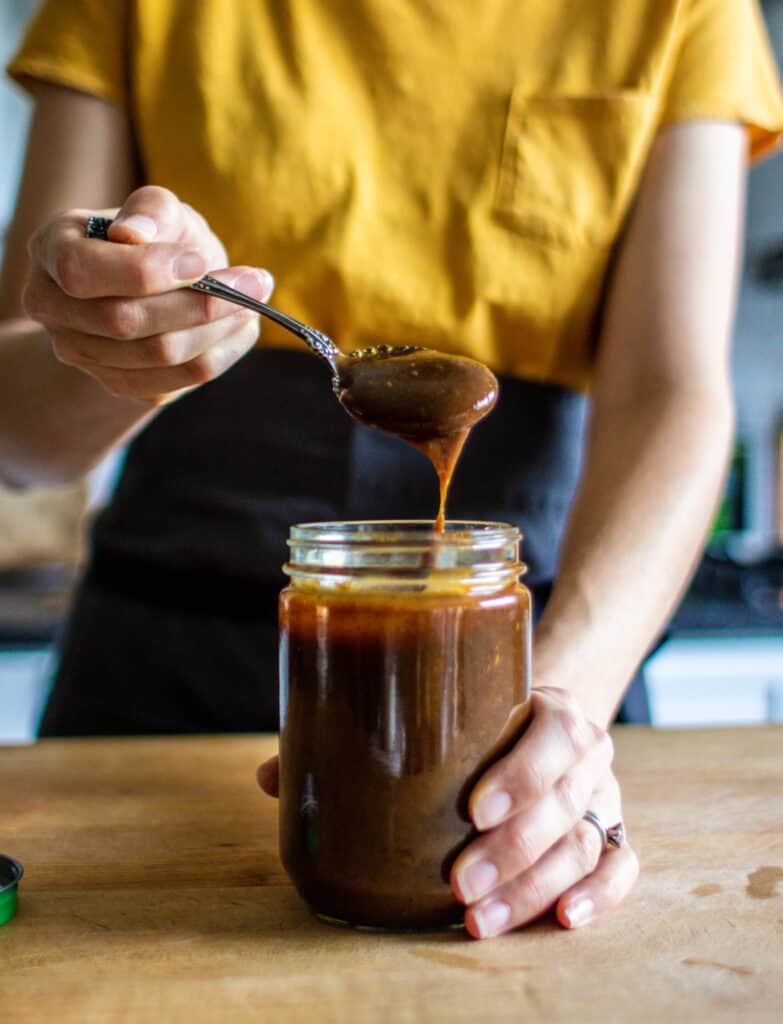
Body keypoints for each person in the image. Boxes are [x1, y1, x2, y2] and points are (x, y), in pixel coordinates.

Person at [2, 1, 782, 940]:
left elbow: (671, 390)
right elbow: (21, 433)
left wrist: (558, 713)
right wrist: (122, 338)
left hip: (522, 663)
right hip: (160, 663)